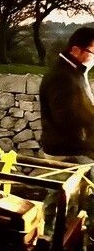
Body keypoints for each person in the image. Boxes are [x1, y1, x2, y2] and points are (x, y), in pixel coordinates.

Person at [39, 27, 94, 161]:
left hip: (74, 148)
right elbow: (66, 118)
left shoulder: (74, 72)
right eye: (93, 52)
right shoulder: (61, 77)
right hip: (66, 152)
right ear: (75, 50)